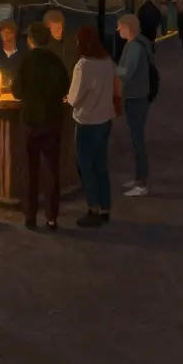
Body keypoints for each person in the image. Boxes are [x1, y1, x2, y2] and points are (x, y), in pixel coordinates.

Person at [11, 23, 70, 230]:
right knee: (52, 171)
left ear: (30, 41)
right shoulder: (56, 61)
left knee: (31, 170)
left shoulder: (26, 62)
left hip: (31, 121)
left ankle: (30, 217)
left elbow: (16, 91)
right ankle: (52, 217)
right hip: (53, 121)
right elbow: (65, 87)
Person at [66, 26, 118, 228]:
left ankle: (93, 209)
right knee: (101, 166)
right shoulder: (107, 62)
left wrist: (68, 98)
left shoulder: (83, 65)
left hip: (87, 121)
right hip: (105, 119)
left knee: (86, 167)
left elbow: (75, 99)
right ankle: (105, 208)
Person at [116, 14, 153, 197]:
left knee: (137, 140)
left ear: (128, 27)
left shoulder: (134, 47)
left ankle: (141, 183)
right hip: (137, 96)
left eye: (120, 26)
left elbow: (126, 72)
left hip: (136, 97)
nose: (117, 30)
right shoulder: (137, 43)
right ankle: (138, 178)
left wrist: (112, 71)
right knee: (135, 139)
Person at [0, 18, 24, 87]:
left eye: (9, 33)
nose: (6, 35)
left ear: (15, 34)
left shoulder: (23, 51)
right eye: (3, 32)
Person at [42, 9, 79, 74]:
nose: (59, 32)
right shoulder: (44, 46)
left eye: (60, 28)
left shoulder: (72, 41)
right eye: (55, 29)